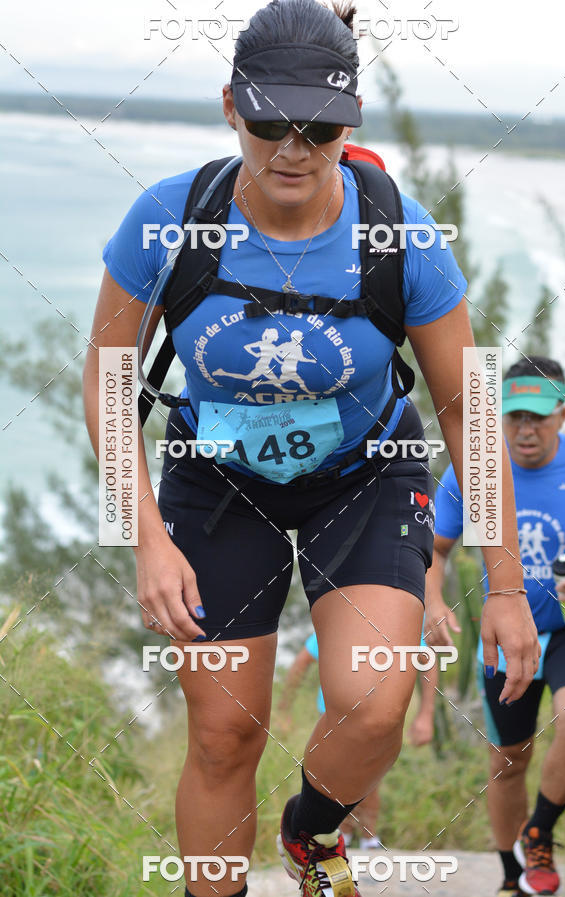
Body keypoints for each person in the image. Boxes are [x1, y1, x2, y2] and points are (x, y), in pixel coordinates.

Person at [83, 2, 539, 894]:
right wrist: (141, 537)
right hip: (215, 479)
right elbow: (107, 388)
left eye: (320, 126)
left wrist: (510, 588)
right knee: (223, 732)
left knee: (374, 701)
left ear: (351, 123)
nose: (292, 147)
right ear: (228, 109)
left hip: (364, 478)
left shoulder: (403, 237)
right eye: (267, 123)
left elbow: (467, 415)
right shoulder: (165, 220)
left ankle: (312, 830)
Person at [426, 356, 565, 897]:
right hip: (505, 637)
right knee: (507, 763)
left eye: (538, 417)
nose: (525, 429)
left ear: (563, 414)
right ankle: (511, 878)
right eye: (514, 416)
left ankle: (539, 832)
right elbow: (435, 549)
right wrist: (432, 601)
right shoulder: (475, 469)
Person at [278, 629, 438, 848]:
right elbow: (302, 661)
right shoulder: (339, 617)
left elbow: (427, 659)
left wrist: (426, 715)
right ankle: (341, 835)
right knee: (333, 776)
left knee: (368, 776)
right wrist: (284, 709)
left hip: (375, 714)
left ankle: (366, 838)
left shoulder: (395, 618)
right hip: (332, 714)